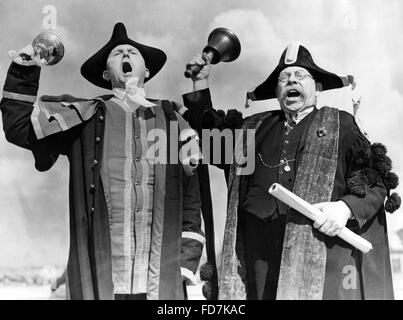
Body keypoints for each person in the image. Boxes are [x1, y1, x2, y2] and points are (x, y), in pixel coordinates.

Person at [1, 22, 204, 300]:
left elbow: (191, 197)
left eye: (132, 52)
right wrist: (24, 70)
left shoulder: (174, 122)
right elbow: (20, 128)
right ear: (106, 73)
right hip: (101, 280)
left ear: (146, 71)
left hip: (161, 279)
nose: (125, 55)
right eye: (117, 53)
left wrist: (186, 262)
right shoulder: (83, 117)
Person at [182, 43, 399, 300]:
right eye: (284, 78)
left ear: (317, 88)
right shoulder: (253, 128)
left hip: (319, 256)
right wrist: (200, 83)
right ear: (277, 90)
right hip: (257, 259)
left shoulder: (342, 125)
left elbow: (375, 181)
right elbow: (212, 142)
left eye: (300, 76)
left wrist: (345, 209)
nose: (290, 81)